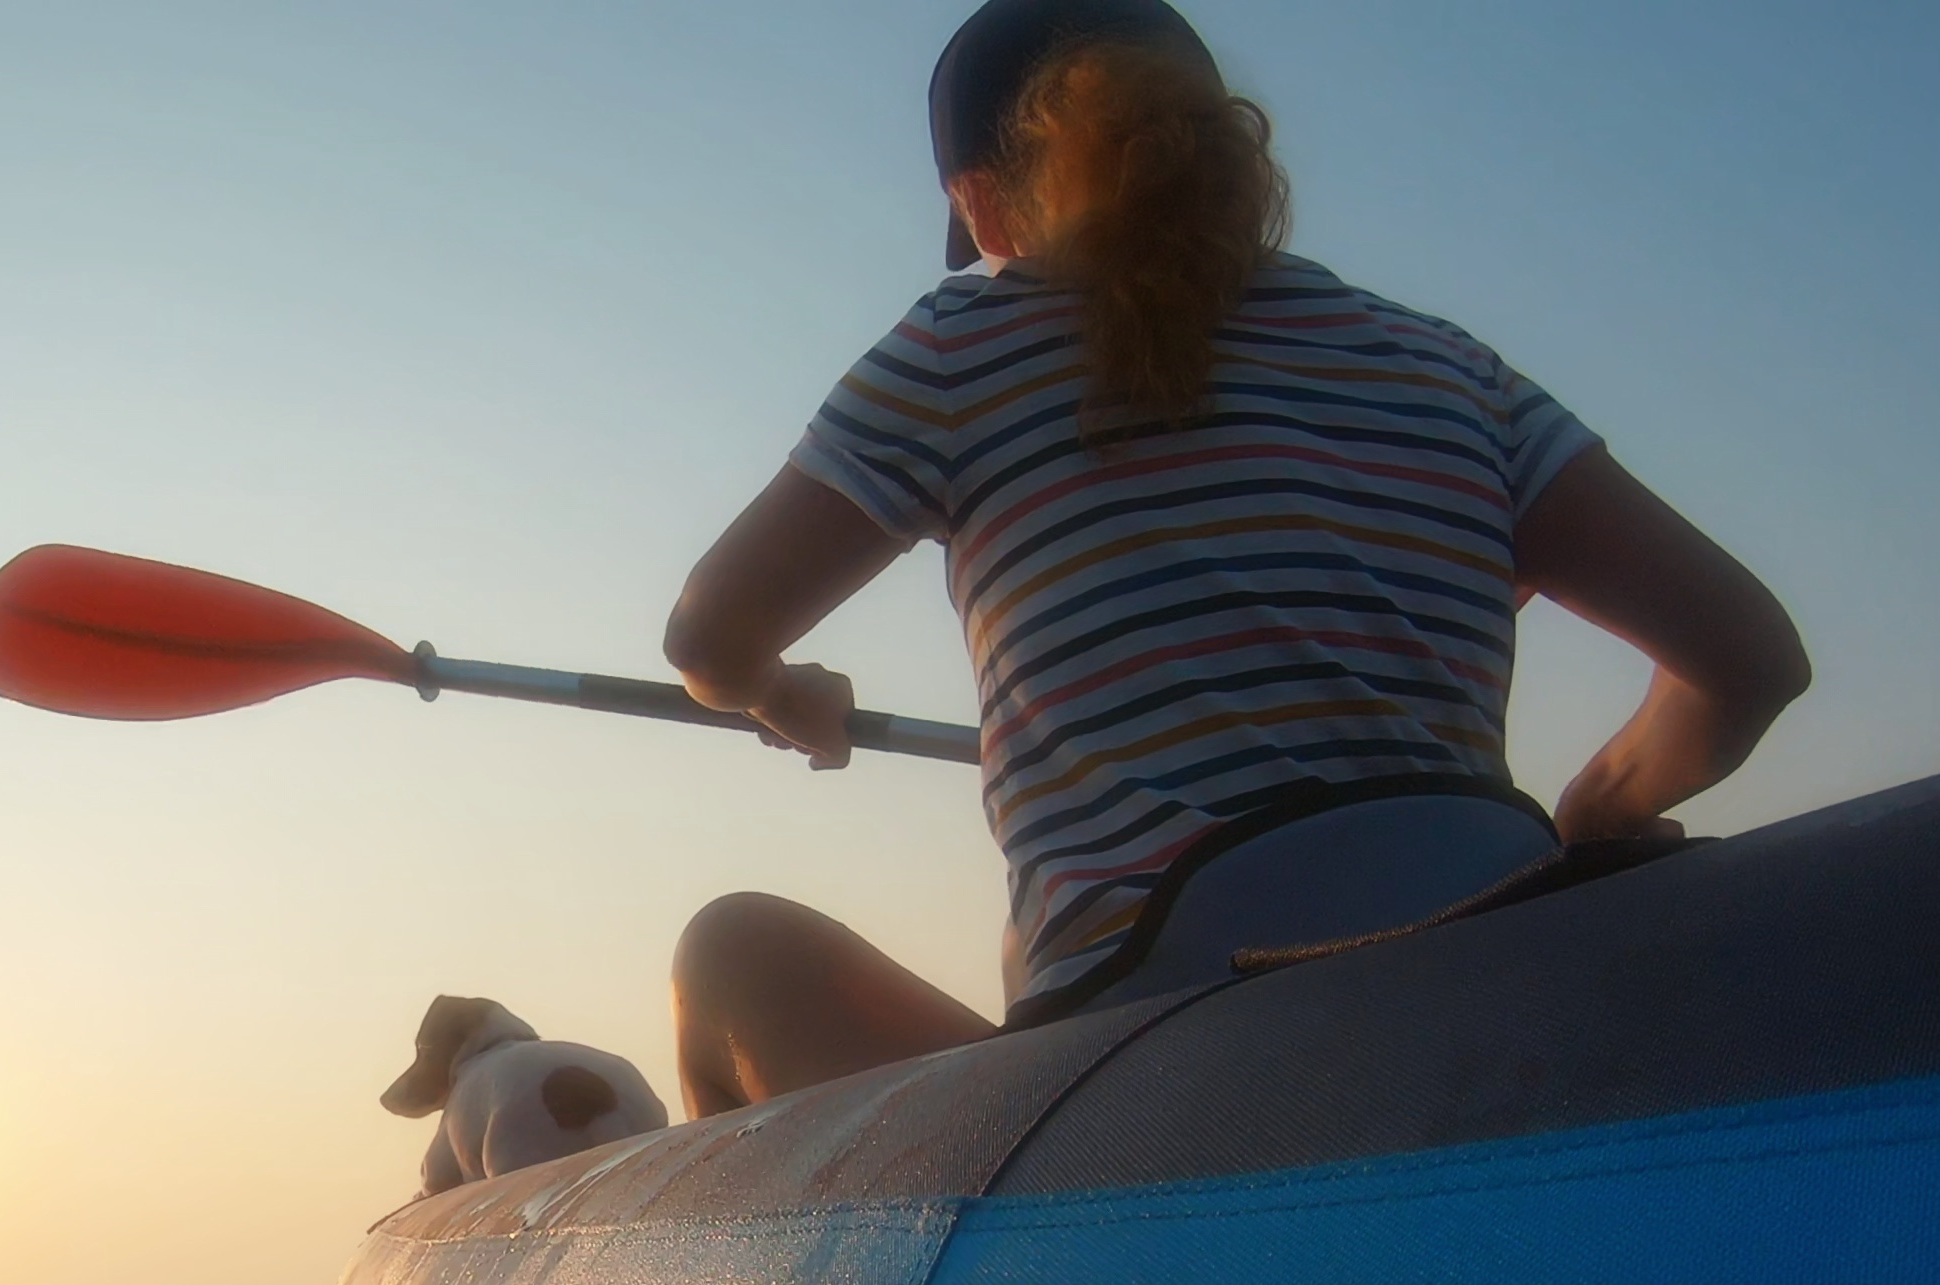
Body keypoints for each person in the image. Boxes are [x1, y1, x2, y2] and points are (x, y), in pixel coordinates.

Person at [659, 0, 1810, 1118]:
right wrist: (1598, 808)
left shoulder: (964, 342)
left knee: (729, 957)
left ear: (984, 205)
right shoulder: (1448, 366)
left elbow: (709, 636)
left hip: (1156, 1070)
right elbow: (1749, 659)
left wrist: (780, 693)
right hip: (1501, 973)